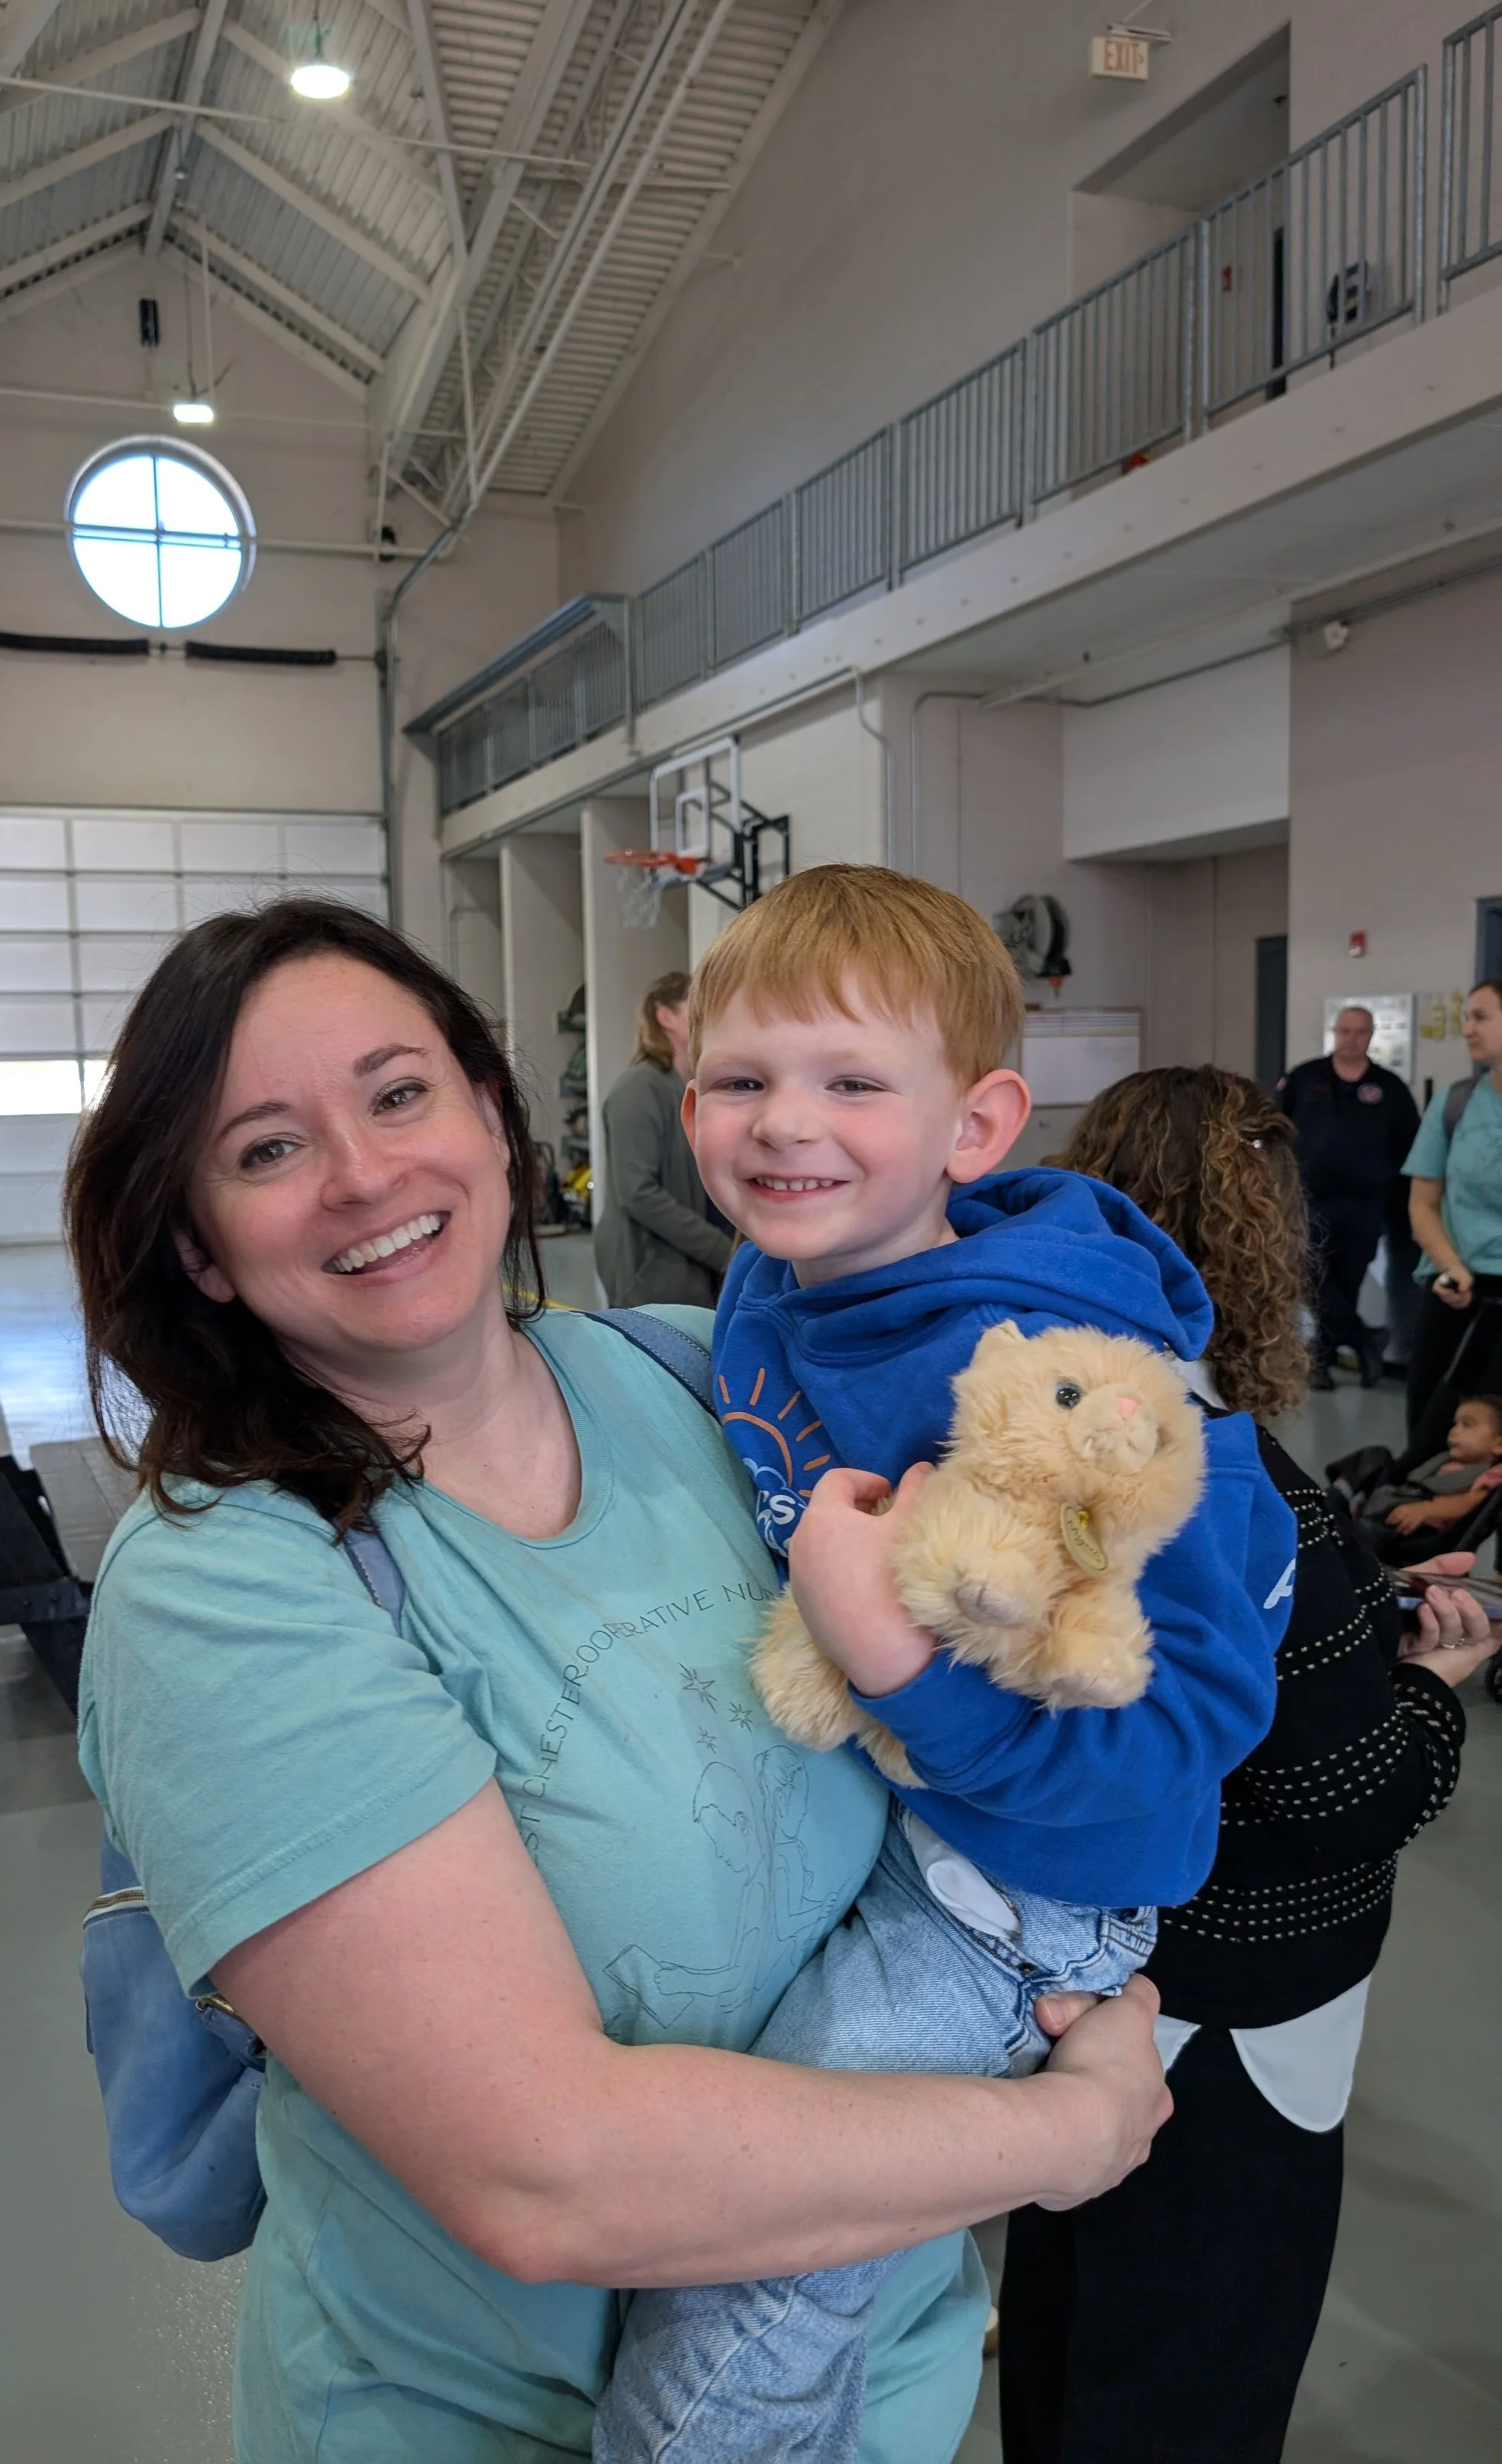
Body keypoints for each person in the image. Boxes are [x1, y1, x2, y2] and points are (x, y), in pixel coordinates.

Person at [65, 899, 1170, 2464]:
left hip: (883, 2384)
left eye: (398, 1093)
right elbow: (542, 2169)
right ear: (200, 1248)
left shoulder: (698, 1375)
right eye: (264, 1150)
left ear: (492, 1119)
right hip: (493, 2419)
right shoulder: (231, 1589)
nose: (368, 1174)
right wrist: (1066, 2130)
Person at [594, 868, 1290, 2464]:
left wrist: (895, 1664)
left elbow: (1192, 1716)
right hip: (888, 1818)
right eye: (740, 1081)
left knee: (761, 2263)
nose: (782, 1126)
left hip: (1022, 1887)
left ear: (974, 1129)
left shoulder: (1069, 1373)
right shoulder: (774, 1278)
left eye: (850, 1083)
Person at [996, 1064, 1496, 2464]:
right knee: (1185, 2390)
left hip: (1091, 1975)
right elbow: (1349, 1797)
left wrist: (1358, 1574)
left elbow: (1232, 1647)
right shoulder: (1230, 1476)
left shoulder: (1064, 1421)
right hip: (1232, 2017)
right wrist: (1435, 1683)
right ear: (1260, 1229)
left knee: (1068, 2335)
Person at [1278, 1005, 1419, 1390]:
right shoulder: (1306, 1078)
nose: (1351, 1038)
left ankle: (1322, 1361)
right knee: (1309, 1277)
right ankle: (1361, 1338)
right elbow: (1278, 1130)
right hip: (1310, 1199)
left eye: (1360, 1032)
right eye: (1345, 1031)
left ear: (1371, 1036)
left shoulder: (1389, 1088)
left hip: (1364, 1204)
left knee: (1347, 1281)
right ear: (1334, 1033)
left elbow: (1410, 1146)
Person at [594, 969, 735, 1307]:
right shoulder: (640, 1088)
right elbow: (637, 1192)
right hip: (650, 1269)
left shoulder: (686, 1087)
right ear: (665, 1016)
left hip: (688, 1266)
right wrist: (721, 1250)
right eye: (695, 1006)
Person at [1404, 977, 1502, 1452]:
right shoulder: (1456, 1103)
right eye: (1466, 1017)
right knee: (1432, 1434)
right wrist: (1452, 1267)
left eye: (1481, 1017)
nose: (1467, 1029)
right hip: (1453, 1290)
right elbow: (1422, 1204)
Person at [1357, 1393, 1502, 1562]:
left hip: (1423, 1526)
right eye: (1455, 1424)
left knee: (1373, 1530)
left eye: (1467, 1425)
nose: (1454, 1431)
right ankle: (1341, 1494)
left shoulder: (1491, 1474)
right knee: (1377, 1456)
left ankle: (1355, 1551)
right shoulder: (1445, 1459)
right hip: (1398, 1499)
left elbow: (1469, 1504)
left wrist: (1427, 1510)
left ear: (1498, 1445)